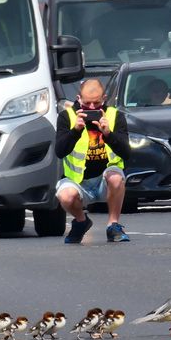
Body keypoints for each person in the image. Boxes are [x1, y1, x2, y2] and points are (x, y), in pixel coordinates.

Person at [54, 79, 132, 244]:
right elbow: (59, 152)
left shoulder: (114, 115)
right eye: (86, 103)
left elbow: (126, 153)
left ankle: (113, 225)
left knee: (116, 177)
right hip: (78, 181)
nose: (91, 108)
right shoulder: (66, 117)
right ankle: (81, 221)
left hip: (106, 180)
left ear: (104, 98)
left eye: (96, 103)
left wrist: (108, 134)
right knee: (65, 196)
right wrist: (75, 131)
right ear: (78, 98)